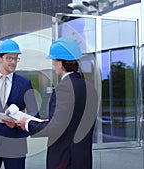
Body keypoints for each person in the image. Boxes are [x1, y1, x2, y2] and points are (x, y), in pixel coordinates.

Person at [16, 37, 98, 169]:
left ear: (60, 63)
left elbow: (56, 128)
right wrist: (50, 121)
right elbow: (73, 120)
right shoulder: (90, 88)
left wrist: (27, 123)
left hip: (65, 159)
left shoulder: (64, 88)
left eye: (53, 61)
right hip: (83, 159)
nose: (53, 64)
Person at [0, 39, 39, 169]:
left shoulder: (25, 83)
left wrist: (19, 124)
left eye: (16, 58)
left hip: (16, 144)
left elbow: (34, 113)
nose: (13, 62)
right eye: (9, 58)